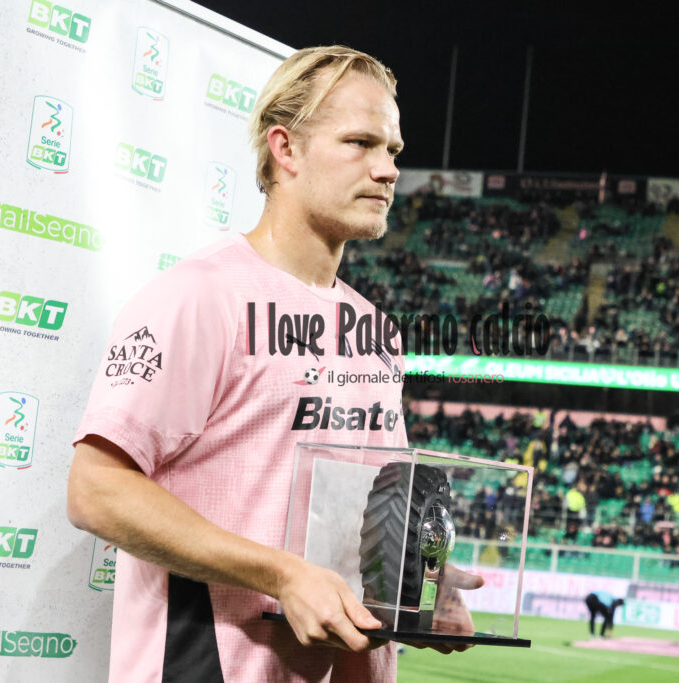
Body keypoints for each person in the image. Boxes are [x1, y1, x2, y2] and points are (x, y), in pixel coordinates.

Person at [66, 45, 478, 682]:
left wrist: (421, 580)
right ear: (285, 149)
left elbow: (372, 512)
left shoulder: (375, 333)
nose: (388, 169)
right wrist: (281, 575)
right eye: (361, 143)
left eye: (393, 150)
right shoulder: (201, 295)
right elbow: (96, 490)